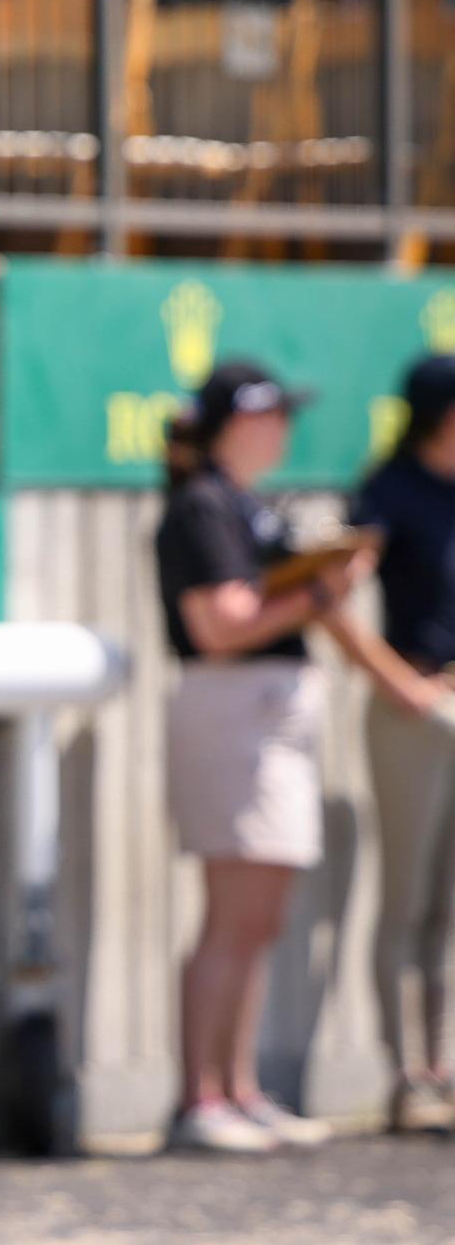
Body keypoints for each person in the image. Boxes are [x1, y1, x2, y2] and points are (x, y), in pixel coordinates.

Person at [156, 360, 377, 1154]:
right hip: (235, 708)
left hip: (268, 712)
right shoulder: (203, 503)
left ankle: (237, 1088)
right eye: (272, 414)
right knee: (232, 914)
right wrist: (321, 591)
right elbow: (221, 625)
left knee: (260, 916)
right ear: (237, 422)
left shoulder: (241, 502)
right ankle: (200, 1098)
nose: (284, 427)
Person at [350, 354, 455, 1134]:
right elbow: (329, 593)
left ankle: (442, 1067)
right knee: (406, 899)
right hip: (415, 706)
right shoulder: (387, 491)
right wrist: (395, 680)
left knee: (448, 908)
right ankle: (401, 1072)